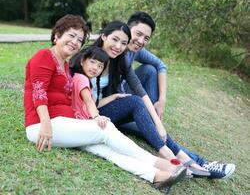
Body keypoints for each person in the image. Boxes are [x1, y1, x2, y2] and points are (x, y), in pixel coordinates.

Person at [23, 14, 187, 191]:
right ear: (56, 35)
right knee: (105, 129)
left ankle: (156, 176)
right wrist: (46, 125)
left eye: (79, 39)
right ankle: (161, 163)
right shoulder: (44, 56)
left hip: (65, 125)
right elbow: (39, 93)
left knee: (105, 149)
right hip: (43, 126)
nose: (75, 42)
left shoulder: (64, 64)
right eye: (71, 35)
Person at [91, 20, 214, 178]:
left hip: (108, 111)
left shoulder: (120, 60)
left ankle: (181, 157)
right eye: (114, 40)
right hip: (92, 114)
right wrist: (113, 98)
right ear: (103, 36)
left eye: (123, 43)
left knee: (143, 109)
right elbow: (83, 99)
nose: (118, 46)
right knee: (135, 103)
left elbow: (140, 91)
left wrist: (159, 123)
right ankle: (171, 157)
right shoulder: (89, 58)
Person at [120, 11, 236, 178]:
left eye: (146, 38)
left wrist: (162, 100)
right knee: (150, 129)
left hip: (129, 100)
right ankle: (198, 163)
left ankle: (156, 126)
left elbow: (161, 65)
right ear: (127, 28)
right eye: (138, 34)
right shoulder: (114, 50)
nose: (141, 41)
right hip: (116, 110)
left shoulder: (133, 51)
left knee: (150, 69)